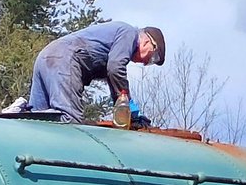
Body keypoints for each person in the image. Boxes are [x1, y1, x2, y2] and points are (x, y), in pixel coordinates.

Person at [26, 22, 165, 123]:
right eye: (153, 58)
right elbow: (116, 68)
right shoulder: (129, 34)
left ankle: (20, 112)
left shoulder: (115, 45)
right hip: (64, 60)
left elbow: (113, 80)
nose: (146, 63)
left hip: (46, 56)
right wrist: (129, 105)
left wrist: (126, 110)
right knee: (69, 120)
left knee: (36, 119)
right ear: (147, 42)